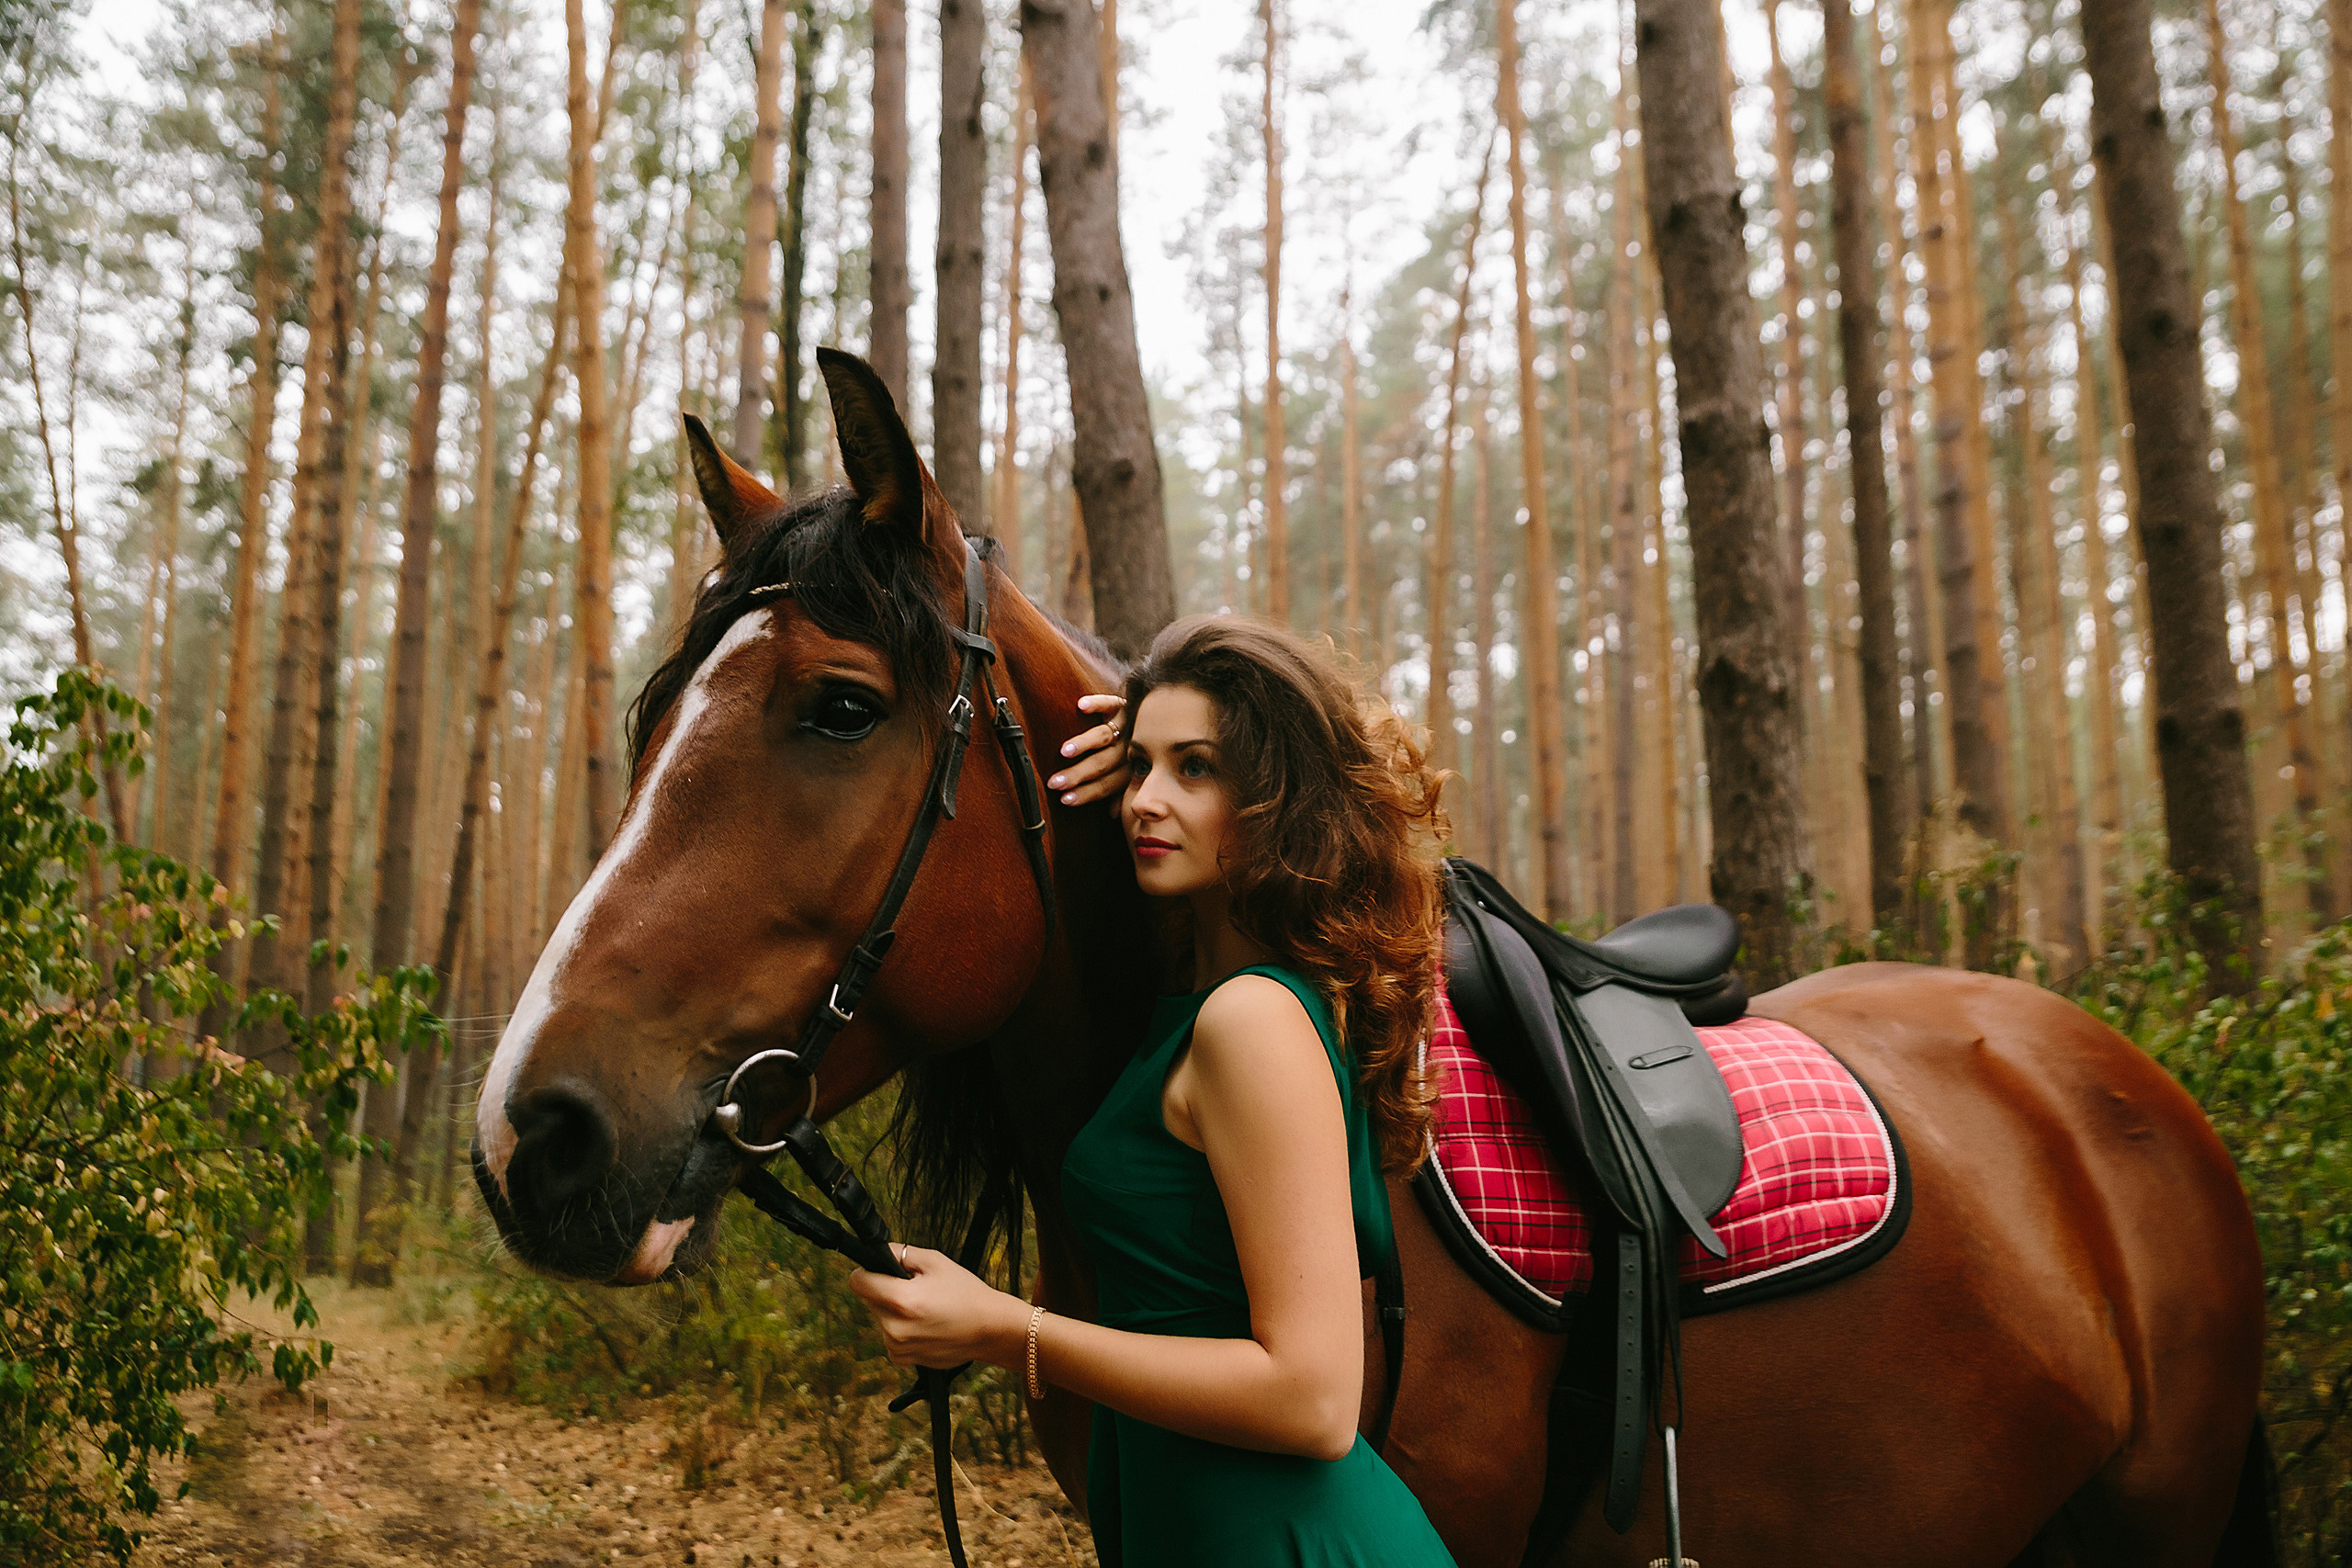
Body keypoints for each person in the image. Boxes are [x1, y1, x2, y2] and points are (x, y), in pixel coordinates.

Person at [847, 615, 1458, 1566]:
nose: (1145, 800)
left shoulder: (1248, 1020)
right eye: (1137, 766)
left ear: (1278, 799)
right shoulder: (1199, 1006)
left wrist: (1009, 1329)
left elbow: (1314, 1400)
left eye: (1197, 767)